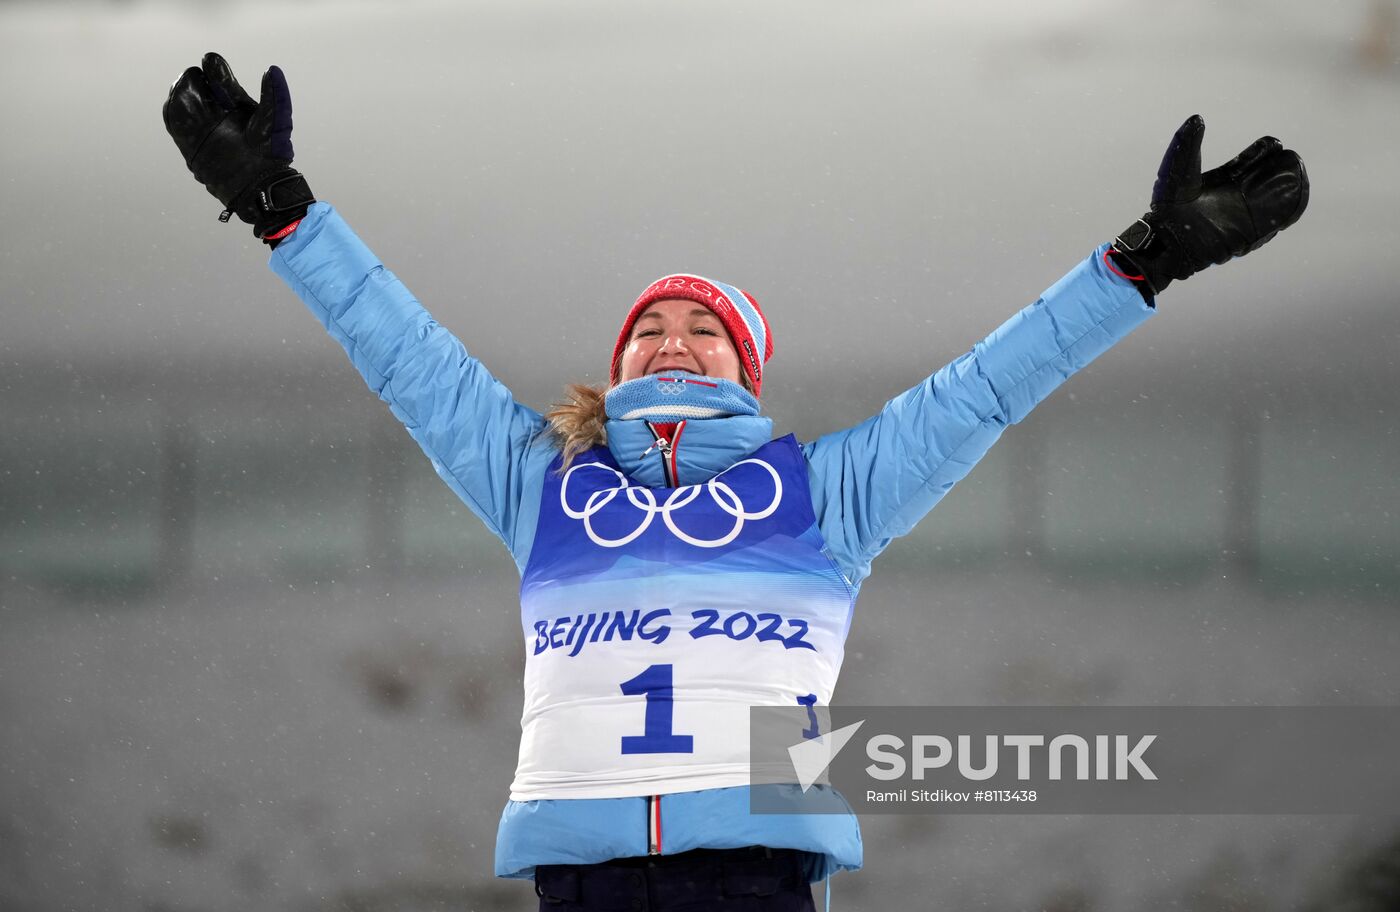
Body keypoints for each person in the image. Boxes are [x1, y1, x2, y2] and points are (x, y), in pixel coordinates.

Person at [162, 52, 1309, 912]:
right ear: (613, 368)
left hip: (753, 870)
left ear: (746, 370)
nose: (668, 341)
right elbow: (405, 357)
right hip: (582, 874)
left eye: (700, 331)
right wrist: (281, 210)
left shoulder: (825, 493)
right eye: (646, 329)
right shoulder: (544, 482)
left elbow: (985, 387)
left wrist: (1144, 262)